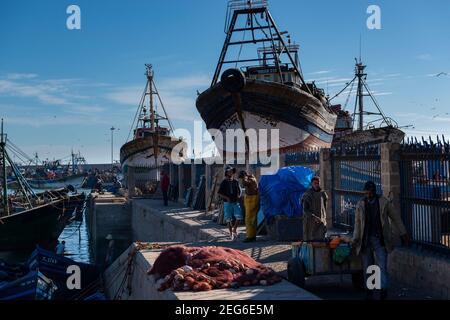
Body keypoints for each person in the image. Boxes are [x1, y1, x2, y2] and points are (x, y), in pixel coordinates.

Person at [352, 181, 410, 300]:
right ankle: (370, 291)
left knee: (382, 266)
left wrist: (403, 233)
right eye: (365, 193)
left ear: (373, 192)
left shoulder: (384, 202)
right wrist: (355, 239)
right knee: (369, 267)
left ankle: (383, 292)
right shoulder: (361, 204)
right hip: (366, 240)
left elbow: (395, 218)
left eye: (369, 193)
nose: (367, 195)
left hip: (380, 239)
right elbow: (357, 224)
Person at [218, 166, 243, 241]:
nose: (230, 172)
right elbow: (219, 193)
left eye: (231, 171)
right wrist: (227, 198)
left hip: (235, 201)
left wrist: (239, 196)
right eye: (229, 171)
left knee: (239, 216)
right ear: (226, 173)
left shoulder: (236, 181)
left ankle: (234, 229)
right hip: (227, 202)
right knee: (228, 219)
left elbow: (240, 190)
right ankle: (230, 233)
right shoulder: (224, 182)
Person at [301, 176, 328, 241]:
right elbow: (305, 210)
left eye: (318, 183)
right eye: (315, 183)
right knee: (310, 240)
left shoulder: (323, 193)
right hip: (310, 222)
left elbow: (324, 207)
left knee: (321, 239)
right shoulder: (307, 195)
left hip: (321, 221)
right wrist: (314, 217)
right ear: (311, 184)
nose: (316, 185)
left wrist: (323, 218)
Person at [238, 170, 259, 243]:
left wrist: (244, 178)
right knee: (251, 219)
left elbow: (244, 184)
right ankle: (252, 235)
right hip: (251, 199)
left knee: (249, 219)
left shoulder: (250, 179)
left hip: (251, 199)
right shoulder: (252, 178)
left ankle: (250, 237)